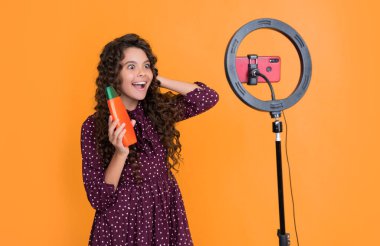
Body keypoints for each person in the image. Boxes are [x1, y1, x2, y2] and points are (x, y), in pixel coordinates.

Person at [81, 33, 219, 246]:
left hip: (163, 216)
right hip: (122, 224)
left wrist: (153, 79)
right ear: (113, 75)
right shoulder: (93, 127)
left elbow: (208, 97)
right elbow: (100, 199)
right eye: (131, 67)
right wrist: (120, 153)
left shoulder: (157, 112)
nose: (141, 73)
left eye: (146, 66)